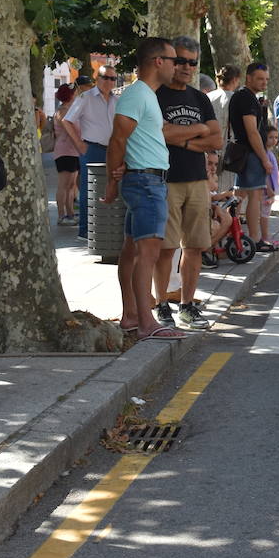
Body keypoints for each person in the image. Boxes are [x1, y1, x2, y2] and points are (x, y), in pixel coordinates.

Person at [103, 37, 182, 340]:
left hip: (145, 181)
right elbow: (117, 139)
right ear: (158, 61)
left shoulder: (144, 94)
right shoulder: (138, 94)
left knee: (132, 251)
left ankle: (131, 317)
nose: (179, 66)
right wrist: (112, 181)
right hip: (146, 183)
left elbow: (126, 140)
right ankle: (147, 322)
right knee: (147, 252)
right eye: (174, 60)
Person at [151, 36, 221, 331]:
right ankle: (161, 303)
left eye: (192, 62)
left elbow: (216, 139)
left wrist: (185, 140)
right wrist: (199, 133)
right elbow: (161, 134)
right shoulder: (155, 95)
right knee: (165, 248)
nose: (187, 67)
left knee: (194, 247)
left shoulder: (200, 98)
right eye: (180, 60)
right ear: (168, 61)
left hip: (197, 181)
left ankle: (188, 305)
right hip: (166, 181)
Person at [63, 62, 122, 238]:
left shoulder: (117, 100)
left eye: (113, 78)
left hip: (113, 150)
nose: (109, 81)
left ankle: (107, 228)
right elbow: (67, 121)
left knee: (112, 188)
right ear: (98, 78)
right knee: (89, 190)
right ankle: (86, 230)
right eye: (105, 77)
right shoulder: (85, 97)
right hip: (93, 149)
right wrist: (79, 144)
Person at [229, 62, 276, 253]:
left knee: (240, 196)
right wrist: (264, 158)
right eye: (260, 79)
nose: (264, 82)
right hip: (249, 153)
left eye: (266, 79)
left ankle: (235, 235)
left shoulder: (248, 97)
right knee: (254, 196)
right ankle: (255, 239)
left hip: (247, 153)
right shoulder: (246, 98)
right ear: (248, 78)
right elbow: (252, 132)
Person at [208, 64, 240, 194]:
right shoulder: (236, 99)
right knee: (227, 187)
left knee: (211, 185)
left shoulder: (208, 97)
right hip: (228, 147)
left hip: (208, 145)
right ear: (234, 80)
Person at [52, 83, 81, 225]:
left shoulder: (70, 110)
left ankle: (70, 214)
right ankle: (61, 215)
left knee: (71, 185)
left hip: (74, 151)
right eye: (75, 93)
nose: (76, 95)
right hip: (65, 152)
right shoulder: (63, 111)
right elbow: (73, 130)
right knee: (64, 185)